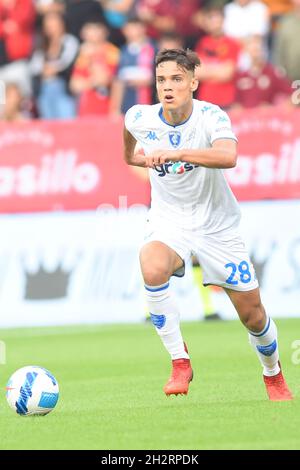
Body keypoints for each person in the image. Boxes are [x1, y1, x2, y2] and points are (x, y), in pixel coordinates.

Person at [123, 48, 293, 401]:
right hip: (169, 222)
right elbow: (128, 143)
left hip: (217, 227)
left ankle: (273, 374)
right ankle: (180, 361)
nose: (167, 87)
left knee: (253, 316)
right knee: (151, 265)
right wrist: (134, 157)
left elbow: (228, 156)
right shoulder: (140, 117)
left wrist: (177, 153)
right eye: (161, 80)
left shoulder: (211, 116)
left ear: (194, 83)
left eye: (176, 79)